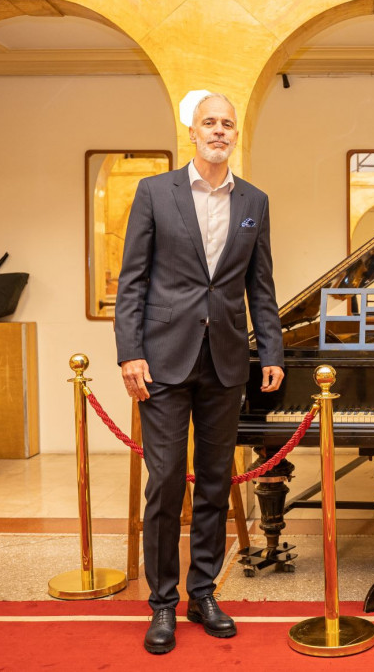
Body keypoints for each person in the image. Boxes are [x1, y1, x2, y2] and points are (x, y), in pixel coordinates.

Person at [114, 92, 284, 655]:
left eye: (227, 123)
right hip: (162, 359)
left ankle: (203, 592)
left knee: (214, 482)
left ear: (235, 134)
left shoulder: (254, 200)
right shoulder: (154, 192)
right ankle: (162, 601)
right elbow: (133, 280)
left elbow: (261, 285)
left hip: (227, 361)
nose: (218, 131)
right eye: (209, 122)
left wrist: (272, 352)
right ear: (192, 132)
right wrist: (129, 352)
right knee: (165, 482)